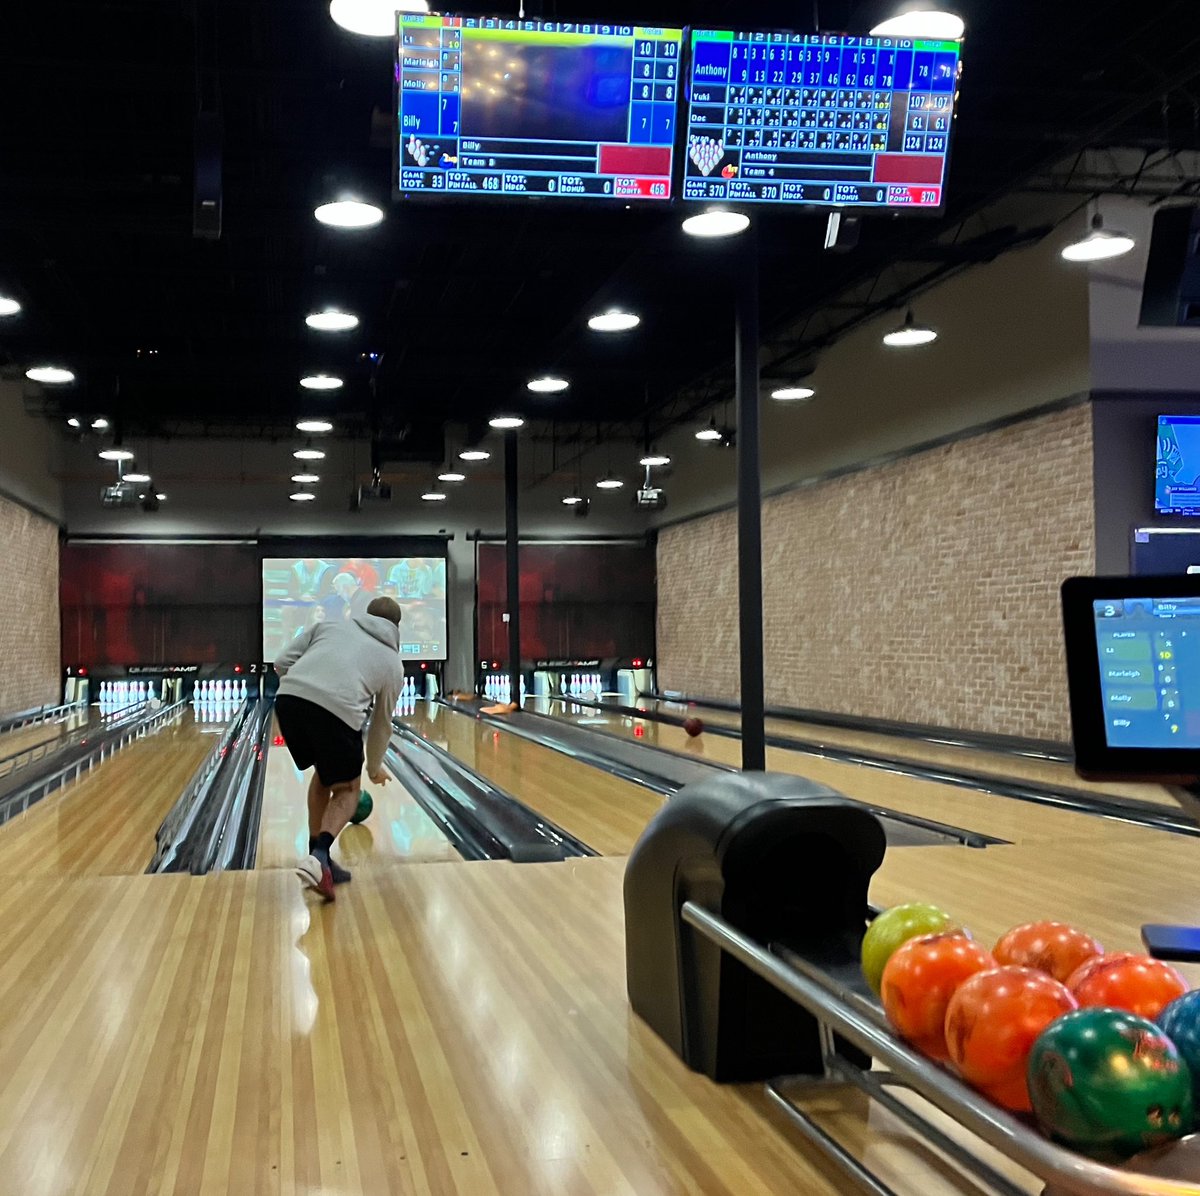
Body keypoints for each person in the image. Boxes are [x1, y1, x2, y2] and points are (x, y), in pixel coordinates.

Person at [274, 595, 405, 900]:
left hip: (288, 701)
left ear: (365, 615)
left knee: (323, 776)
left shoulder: (329, 626)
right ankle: (319, 857)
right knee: (348, 788)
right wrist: (373, 767)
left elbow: (281, 662)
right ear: (397, 627)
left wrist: (303, 688)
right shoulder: (392, 663)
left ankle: (320, 860)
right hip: (335, 713)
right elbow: (381, 724)